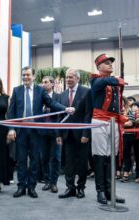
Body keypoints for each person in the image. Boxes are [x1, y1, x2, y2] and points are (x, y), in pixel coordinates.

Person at [7, 66, 74, 199]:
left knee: (34, 160)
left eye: (28, 75)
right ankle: (21, 187)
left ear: (34, 77)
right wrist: (11, 128)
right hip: (21, 131)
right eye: (24, 75)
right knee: (20, 160)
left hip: (35, 131)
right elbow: (11, 111)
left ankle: (31, 187)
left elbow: (51, 103)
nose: (25, 77)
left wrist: (65, 108)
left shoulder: (40, 91)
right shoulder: (17, 90)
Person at [90, 54, 126, 205]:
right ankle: (100, 191)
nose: (110, 64)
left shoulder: (114, 83)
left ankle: (110, 191)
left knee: (111, 157)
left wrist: (119, 80)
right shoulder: (96, 80)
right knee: (100, 157)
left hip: (114, 121)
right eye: (106, 63)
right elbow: (104, 81)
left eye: (111, 62)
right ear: (99, 67)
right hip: (99, 121)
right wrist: (118, 79)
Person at [57, 68, 92, 199]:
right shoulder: (62, 95)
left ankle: (81, 188)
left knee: (82, 163)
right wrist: (58, 134)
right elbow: (60, 117)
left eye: (71, 77)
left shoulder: (86, 92)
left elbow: (88, 114)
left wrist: (86, 134)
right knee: (68, 163)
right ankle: (70, 188)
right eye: (67, 77)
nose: (68, 80)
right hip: (67, 135)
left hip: (81, 135)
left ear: (78, 78)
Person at [40, 76, 61, 193]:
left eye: (46, 82)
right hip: (42, 132)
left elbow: (60, 114)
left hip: (55, 132)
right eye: (42, 82)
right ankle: (47, 181)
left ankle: (54, 183)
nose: (44, 84)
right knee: (44, 158)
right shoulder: (39, 98)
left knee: (56, 158)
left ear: (52, 84)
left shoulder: (58, 97)